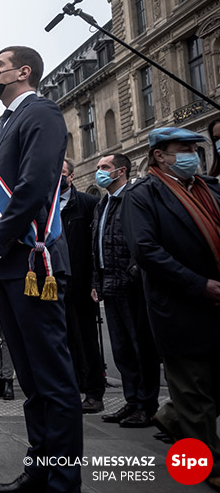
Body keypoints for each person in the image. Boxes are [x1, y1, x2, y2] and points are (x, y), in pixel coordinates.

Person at [0, 46, 82, 493]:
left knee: (52, 378)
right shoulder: (7, 122)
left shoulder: (42, 113)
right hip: (8, 267)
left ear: (22, 71)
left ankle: (63, 481)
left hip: (33, 262)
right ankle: (39, 468)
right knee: (32, 380)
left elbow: (32, 188)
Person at [121, 127, 220, 489]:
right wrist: (199, 284)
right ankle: (207, 466)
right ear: (159, 155)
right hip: (180, 304)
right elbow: (146, 251)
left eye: (195, 148)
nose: (191, 154)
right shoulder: (143, 195)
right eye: (183, 149)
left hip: (216, 300)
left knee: (207, 390)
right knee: (194, 389)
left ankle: (172, 414)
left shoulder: (210, 188)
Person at [91, 153, 160, 428]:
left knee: (140, 347)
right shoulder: (103, 203)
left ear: (121, 171)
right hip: (110, 284)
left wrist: (133, 272)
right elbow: (97, 242)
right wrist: (96, 281)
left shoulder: (133, 196)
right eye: (98, 168)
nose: (100, 171)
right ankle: (131, 402)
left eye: (104, 167)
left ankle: (147, 406)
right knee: (122, 350)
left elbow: (142, 238)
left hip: (131, 284)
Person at [59, 159, 105, 415]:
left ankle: (94, 392)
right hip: (55, 286)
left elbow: (95, 245)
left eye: (62, 173)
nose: (58, 177)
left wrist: (95, 282)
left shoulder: (87, 204)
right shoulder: (45, 205)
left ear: (72, 176)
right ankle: (72, 389)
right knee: (64, 342)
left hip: (81, 284)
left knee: (86, 339)